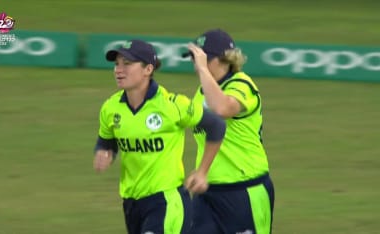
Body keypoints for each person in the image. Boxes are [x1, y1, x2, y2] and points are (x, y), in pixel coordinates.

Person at [93, 39, 226, 234]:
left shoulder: (172, 105)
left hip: (166, 202)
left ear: (148, 69)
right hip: (132, 204)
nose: (119, 70)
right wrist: (104, 153)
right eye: (116, 64)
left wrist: (202, 172)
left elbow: (216, 125)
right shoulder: (110, 108)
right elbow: (107, 141)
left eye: (127, 64)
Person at [183, 29, 275, 234]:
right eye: (194, 60)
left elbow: (223, 109)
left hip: (245, 191)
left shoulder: (242, 84)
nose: (196, 65)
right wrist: (201, 172)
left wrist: (203, 71)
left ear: (225, 59)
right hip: (207, 192)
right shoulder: (201, 93)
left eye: (203, 59)